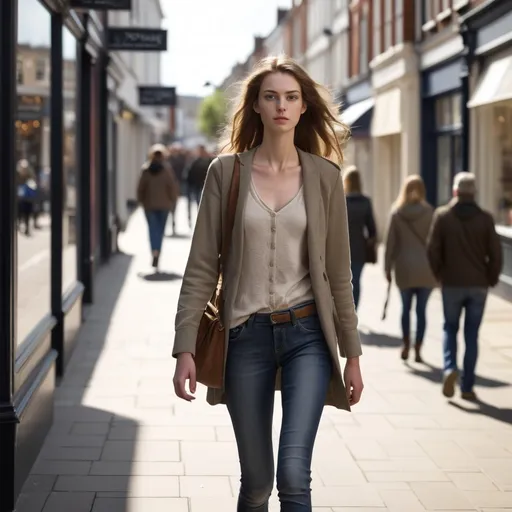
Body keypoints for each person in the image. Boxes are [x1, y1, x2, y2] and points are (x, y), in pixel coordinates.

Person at [172, 55, 364, 512]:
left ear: (303, 108)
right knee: (258, 483)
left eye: (292, 97)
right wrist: (185, 348)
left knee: (295, 476)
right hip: (245, 337)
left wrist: (352, 354)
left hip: (308, 338)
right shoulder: (225, 173)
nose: (282, 105)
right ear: (256, 105)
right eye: (271, 96)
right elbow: (201, 267)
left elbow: (339, 274)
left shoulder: (325, 178)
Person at [427, 172, 502, 400]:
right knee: (471, 335)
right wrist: (490, 278)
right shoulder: (486, 218)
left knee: (450, 328)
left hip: (451, 283)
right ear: (474, 193)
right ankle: (467, 386)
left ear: (455, 192)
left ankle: (450, 368)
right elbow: (496, 254)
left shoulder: (443, 216)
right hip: (478, 285)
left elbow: (432, 250)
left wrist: (439, 275)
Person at [384, 175, 437, 363]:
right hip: (426, 269)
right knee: (421, 311)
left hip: (404, 268)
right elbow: (436, 244)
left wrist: (387, 268)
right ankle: (418, 347)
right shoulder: (430, 213)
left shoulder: (397, 213)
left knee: (406, 308)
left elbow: (390, 244)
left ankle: (406, 344)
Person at [137, 143, 179, 270]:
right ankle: (157, 252)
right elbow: (172, 187)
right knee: (160, 231)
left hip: (149, 205)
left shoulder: (145, 170)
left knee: (152, 230)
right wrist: (173, 201)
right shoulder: (167, 170)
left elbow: (140, 188)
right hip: (164, 205)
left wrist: (141, 201)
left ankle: (154, 251)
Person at [343, 165, 377, 309]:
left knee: (342, 283)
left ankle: (343, 311)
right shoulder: (365, 202)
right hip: (359, 249)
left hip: (341, 248)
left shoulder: (341, 201)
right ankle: (354, 311)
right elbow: (372, 229)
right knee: (355, 281)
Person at [184, 144, 212, 228]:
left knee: (201, 205)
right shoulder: (195, 161)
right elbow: (189, 174)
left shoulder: (209, 161)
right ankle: (198, 221)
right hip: (196, 186)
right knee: (198, 204)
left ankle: (201, 221)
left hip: (205, 187)